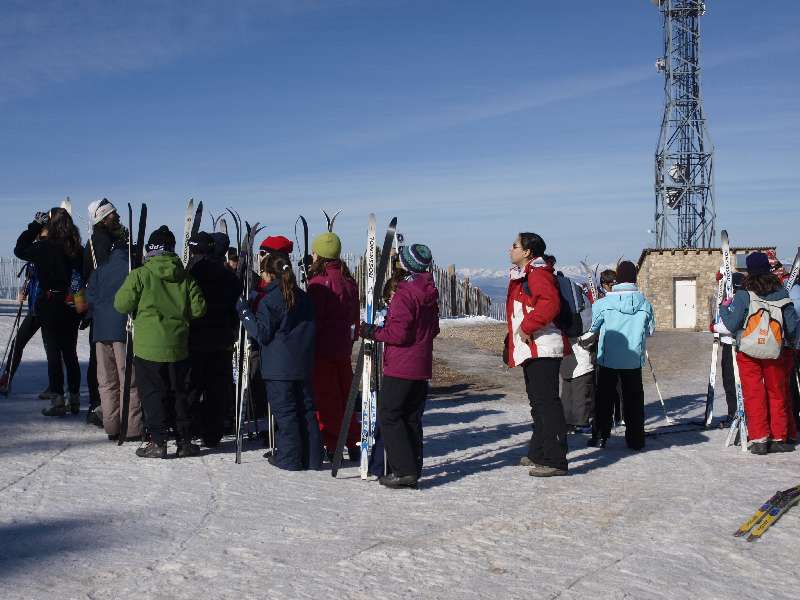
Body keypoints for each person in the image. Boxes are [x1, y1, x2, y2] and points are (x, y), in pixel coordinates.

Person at [114, 226, 207, 458]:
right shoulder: (185, 277)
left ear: (150, 250)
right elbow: (198, 309)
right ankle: (184, 441)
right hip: (178, 345)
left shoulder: (140, 274)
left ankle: (158, 441)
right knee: (179, 393)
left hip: (148, 346)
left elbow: (121, 304)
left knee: (153, 394)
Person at [360, 244, 439, 489]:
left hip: (402, 364)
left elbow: (398, 333)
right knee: (411, 417)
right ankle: (412, 467)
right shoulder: (428, 290)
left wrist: (373, 331)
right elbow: (434, 328)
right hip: (421, 362)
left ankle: (404, 470)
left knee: (390, 414)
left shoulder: (406, 293)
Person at [236, 252, 322, 471]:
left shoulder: (272, 300)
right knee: (306, 410)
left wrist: (245, 313)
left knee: (286, 414)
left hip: (279, 367)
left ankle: (290, 458)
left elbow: (261, 334)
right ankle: (312, 457)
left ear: (268, 274)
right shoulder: (302, 296)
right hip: (302, 363)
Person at [713, 252, 798, 454]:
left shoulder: (744, 294)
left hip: (749, 351)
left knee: (754, 394)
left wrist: (724, 308)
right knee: (778, 394)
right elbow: (793, 327)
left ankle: (759, 438)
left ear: (749, 270)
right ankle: (779, 437)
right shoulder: (782, 293)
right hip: (776, 350)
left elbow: (732, 324)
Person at [505, 233, 570, 477]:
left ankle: (555, 459)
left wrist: (527, 326)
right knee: (538, 403)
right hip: (532, 347)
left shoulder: (539, 274)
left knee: (547, 403)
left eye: (515, 246)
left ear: (528, 252)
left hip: (543, 347)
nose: (510, 249)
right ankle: (540, 451)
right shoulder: (526, 274)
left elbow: (550, 304)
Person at [14, 208, 84, 416]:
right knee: (70, 353)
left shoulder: (43, 247)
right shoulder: (75, 248)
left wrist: (34, 225)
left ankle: (58, 399)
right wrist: (80, 305)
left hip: (50, 302)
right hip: (70, 302)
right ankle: (74, 397)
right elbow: (80, 277)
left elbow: (19, 249)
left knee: (53, 353)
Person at [582, 261, 654, 451]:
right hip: (633, 359)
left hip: (608, 358)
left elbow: (593, 326)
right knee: (634, 400)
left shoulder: (604, 303)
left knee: (604, 398)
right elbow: (650, 330)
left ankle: (600, 436)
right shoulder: (645, 304)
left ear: (618, 278)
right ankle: (636, 439)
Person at [306, 231, 361, 461]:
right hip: (343, 348)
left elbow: (313, 319)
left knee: (328, 399)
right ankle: (353, 439)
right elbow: (355, 316)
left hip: (323, 350)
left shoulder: (318, 284)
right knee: (345, 395)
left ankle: (332, 442)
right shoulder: (349, 281)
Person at [186, 232, 241, 447]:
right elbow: (235, 302)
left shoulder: (192, 272)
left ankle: (189, 427)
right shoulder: (227, 275)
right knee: (217, 388)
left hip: (196, 338)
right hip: (221, 338)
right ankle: (213, 432)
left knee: (193, 384)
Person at [87, 238, 144, 441]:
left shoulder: (101, 269)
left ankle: (111, 426)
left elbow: (90, 298)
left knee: (107, 381)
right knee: (128, 379)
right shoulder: (133, 269)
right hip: (124, 329)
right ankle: (131, 428)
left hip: (101, 331)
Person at [83, 199, 126, 421]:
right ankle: (99, 406)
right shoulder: (100, 241)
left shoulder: (107, 239)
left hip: (102, 308)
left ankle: (104, 406)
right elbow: (103, 276)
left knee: (104, 362)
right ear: (102, 218)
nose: (117, 217)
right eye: (113, 215)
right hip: (107, 309)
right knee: (105, 363)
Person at [0, 264, 45, 396]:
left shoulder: (53, 252)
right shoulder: (32, 259)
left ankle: (58, 388)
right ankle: (7, 378)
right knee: (17, 343)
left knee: (53, 350)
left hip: (49, 309)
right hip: (34, 310)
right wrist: (24, 290)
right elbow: (30, 280)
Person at [717, 271, 745, 428]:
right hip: (728, 345)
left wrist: (716, 327)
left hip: (740, 344)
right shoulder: (727, 298)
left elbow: (732, 324)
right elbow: (721, 319)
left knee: (739, 380)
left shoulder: (742, 299)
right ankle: (732, 412)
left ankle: (742, 412)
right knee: (728, 380)